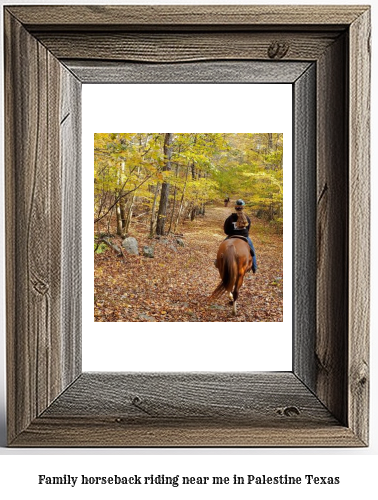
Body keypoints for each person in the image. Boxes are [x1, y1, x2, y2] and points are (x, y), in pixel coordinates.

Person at [223, 199, 257, 273]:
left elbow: (226, 231)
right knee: (252, 250)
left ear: (235, 207)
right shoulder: (247, 218)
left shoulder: (230, 218)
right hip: (244, 237)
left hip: (231, 236)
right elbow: (248, 230)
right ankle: (254, 267)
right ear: (243, 207)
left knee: (222, 246)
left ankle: (218, 261)